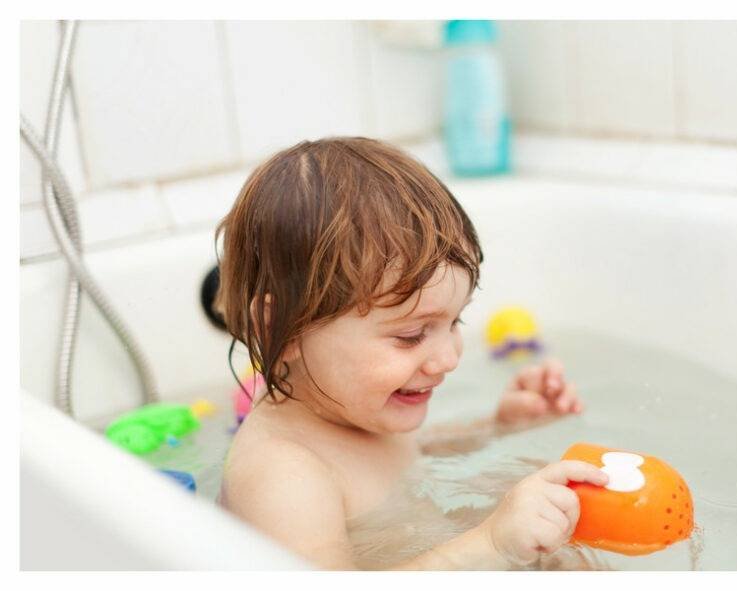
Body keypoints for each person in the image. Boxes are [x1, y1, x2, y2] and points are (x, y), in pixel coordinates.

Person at [214, 137, 607, 569]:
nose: (449, 359)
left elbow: (415, 452)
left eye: (454, 322)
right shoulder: (283, 474)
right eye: (412, 335)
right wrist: (491, 545)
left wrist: (497, 427)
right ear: (279, 329)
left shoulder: (357, 405)